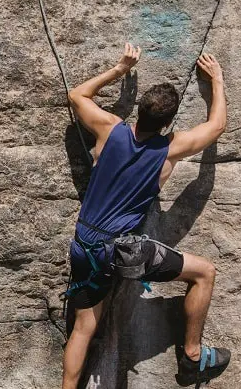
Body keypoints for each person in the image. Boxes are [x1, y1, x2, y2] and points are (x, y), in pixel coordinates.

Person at [62, 43, 230, 388]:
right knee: (204, 273)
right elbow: (216, 127)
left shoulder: (110, 129)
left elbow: (77, 95)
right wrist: (217, 80)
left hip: (84, 245)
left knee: (83, 327)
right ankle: (193, 358)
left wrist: (120, 69)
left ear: (138, 112)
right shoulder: (169, 150)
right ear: (168, 123)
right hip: (121, 251)